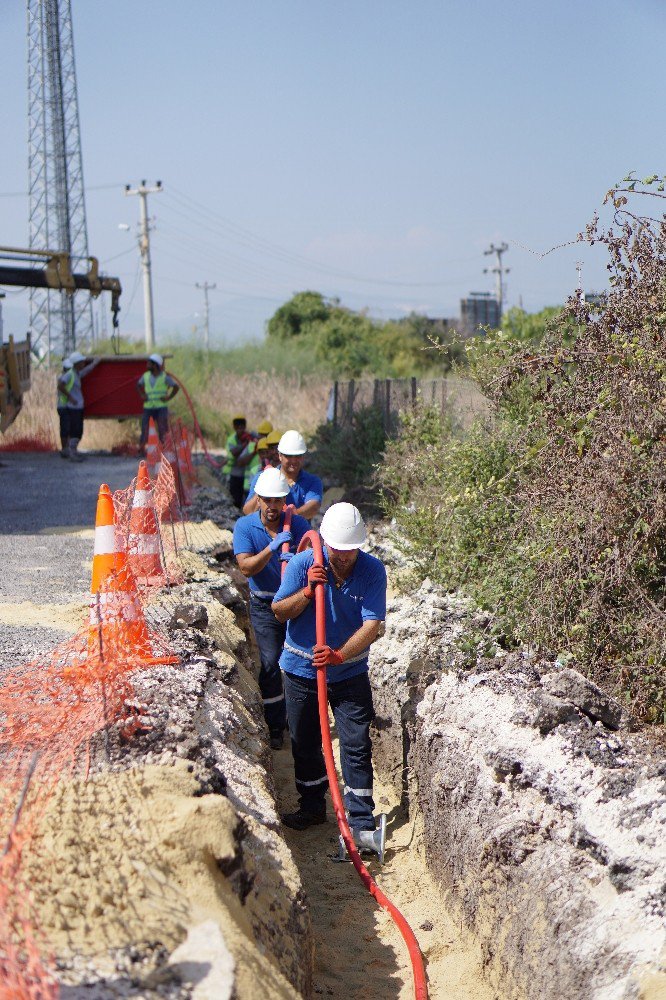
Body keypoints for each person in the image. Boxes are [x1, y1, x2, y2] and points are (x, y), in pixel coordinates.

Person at [271, 502, 387, 838]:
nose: (345, 556)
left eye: (352, 549)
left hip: (348, 672)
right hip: (300, 671)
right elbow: (279, 611)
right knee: (306, 741)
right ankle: (312, 807)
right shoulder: (303, 563)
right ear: (326, 541)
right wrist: (308, 591)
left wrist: (338, 655)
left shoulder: (372, 570)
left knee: (355, 742)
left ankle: (362, 822)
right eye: (339, 549)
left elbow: (372, 626)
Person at [233, 466, 310, 749]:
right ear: (259, 499)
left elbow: (313, 561)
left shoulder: (299, 526)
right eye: (268, 500)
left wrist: (297, 558)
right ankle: (275, 724)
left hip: (294, 605)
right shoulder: (244, 527)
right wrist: (271, 550)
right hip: (264, 604)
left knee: (297, 662)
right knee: (269, 662)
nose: (273, 506)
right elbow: (245, 567)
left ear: (285, 501)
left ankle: (298, 721)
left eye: (278, 500)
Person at [243, 429, 323, 521]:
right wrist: (265, 484)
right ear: (280, 456)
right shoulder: (261, 477)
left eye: (297, 456)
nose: (293, 461)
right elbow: (248, 511)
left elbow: (313, 507)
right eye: (288, 456)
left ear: (303, 457)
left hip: (299, 534)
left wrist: (290, 516)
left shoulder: (312, 481)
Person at [56, 351, 100, 461]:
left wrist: (95, 363)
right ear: (76, 363)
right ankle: (72, 453)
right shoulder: (70, 374)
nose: (84, 363)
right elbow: (60, 385)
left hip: (77, 407)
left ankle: (72, 452)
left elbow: (86, 371)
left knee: (77, 431)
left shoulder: (76, 374)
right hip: (73, 407)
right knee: (74, 430)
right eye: (82, 362)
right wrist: (71, 397)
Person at [137, 353, 179, 451]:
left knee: (162, 429)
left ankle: (165, 449)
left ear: (155, 365)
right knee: (145, 428)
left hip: (161, 407)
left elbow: (176, 387)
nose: (147, 365)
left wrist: (168, 398)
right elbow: (138, 385)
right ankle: (142, 448)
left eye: (149, 363)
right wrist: (142, 395)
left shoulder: (165, 377)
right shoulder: (146, 376)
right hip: (148, 407)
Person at [224, 414, 251, 509]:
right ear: (235, 427)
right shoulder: (231, 439)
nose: (240, 428)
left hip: (248, 474)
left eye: (242, 426)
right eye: (238, 426)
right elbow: (234, 452)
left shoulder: (250, 437)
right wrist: (245, 444)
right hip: (235, 472)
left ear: (244, 426)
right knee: (235, 497)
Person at [56, 357, 74, 459]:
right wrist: (70, 397)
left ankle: (67, 449)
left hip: (65, 406)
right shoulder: (65, 377)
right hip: (64, 406)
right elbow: (61, 387)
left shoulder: (65, 376)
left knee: (67, 428)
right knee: (65, 428)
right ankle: (65, 449)